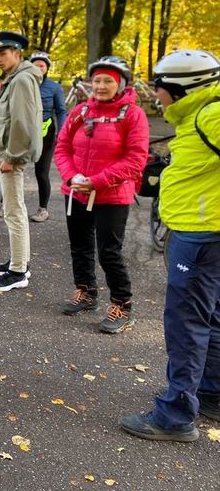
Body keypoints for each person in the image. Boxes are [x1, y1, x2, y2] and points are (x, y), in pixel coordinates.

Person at [120, 49, 220, 441]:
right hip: (203, 232)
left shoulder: (210, 115)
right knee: (210, 318)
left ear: (181, 88)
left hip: (200, 235)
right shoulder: (200, 114)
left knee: (186, 324)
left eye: (160, 87)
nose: (155, 93)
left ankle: (175, 416)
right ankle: (210, 394)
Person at [54, 56, 148, 333]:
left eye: (108, 80)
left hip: (112, 195)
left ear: (120, 84)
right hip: (77, 192)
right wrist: (72, 177)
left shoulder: (133, 115)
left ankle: (122, 305)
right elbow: (62, 148)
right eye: (96, 80)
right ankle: (86, 293)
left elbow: (136, 159)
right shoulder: (81, 111)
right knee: (79, 246)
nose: (101, 85)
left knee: (109, 252)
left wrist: (97, 181)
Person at [0, 31, 42, 292]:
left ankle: (18, 271)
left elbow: (22, 123)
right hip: (9, 155)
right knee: (13, 209)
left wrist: (12, 156)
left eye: (3, 53)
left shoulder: (20, 81)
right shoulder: (13, 79)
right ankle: (19, 262)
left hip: (12, 157)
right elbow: (4, 117)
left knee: (14, 212)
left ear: (18, 53)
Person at [28, 52, 67, 223]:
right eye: (35, 65)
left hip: (46, 133)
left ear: (47, 69)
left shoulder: (54, 87)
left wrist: (62, 131)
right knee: (14, 168)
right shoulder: (24, 84)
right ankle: (5, 204)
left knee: (41, 172)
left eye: (42, 66)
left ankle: (43, 209)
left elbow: (60, 110)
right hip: (24, 132)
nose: (38, 68)